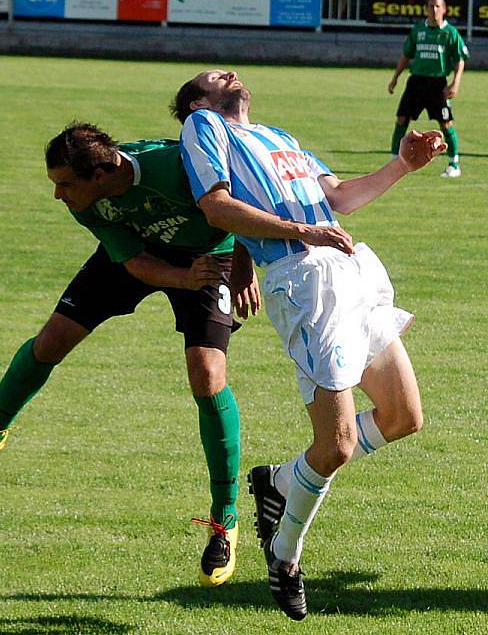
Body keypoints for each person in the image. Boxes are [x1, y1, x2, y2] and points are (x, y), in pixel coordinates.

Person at [0, 123, 261, 589]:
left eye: (65, 185)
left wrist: (244, 259)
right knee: (50, 342)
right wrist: (178, 279)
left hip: (209, 256)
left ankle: (224, 517)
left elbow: (249, 193)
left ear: (102, 173)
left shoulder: (176, 164)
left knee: (207, 376)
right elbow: (133, 265)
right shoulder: (88, 203)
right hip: (135, 255)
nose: (58, 196)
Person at [173, 68, 446, 620]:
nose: (227, 73)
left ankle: (279, 481)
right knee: (338, 445)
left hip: (349, 270)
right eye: (211, 77)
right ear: (198, 101)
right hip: (303, 279)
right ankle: (285, 556)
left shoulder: (279, 137)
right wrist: (302, 232)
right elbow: (217, 208)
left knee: (403, 416)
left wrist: (403, 164)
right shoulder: (204, 126)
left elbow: (340, 197)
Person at [388, 0, 468, 178]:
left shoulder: (450, 33)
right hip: (416, 82)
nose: (434, 9)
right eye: (430, 6)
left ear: (444, 9)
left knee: (446, 124)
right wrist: (395, 78)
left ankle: (454, 163)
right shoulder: (418, 30)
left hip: (438, 83)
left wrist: (455, 83)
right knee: (401, 120)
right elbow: (406, 55)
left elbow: (460, 60)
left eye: (437, 6)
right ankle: (394, 160)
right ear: (425, 9)